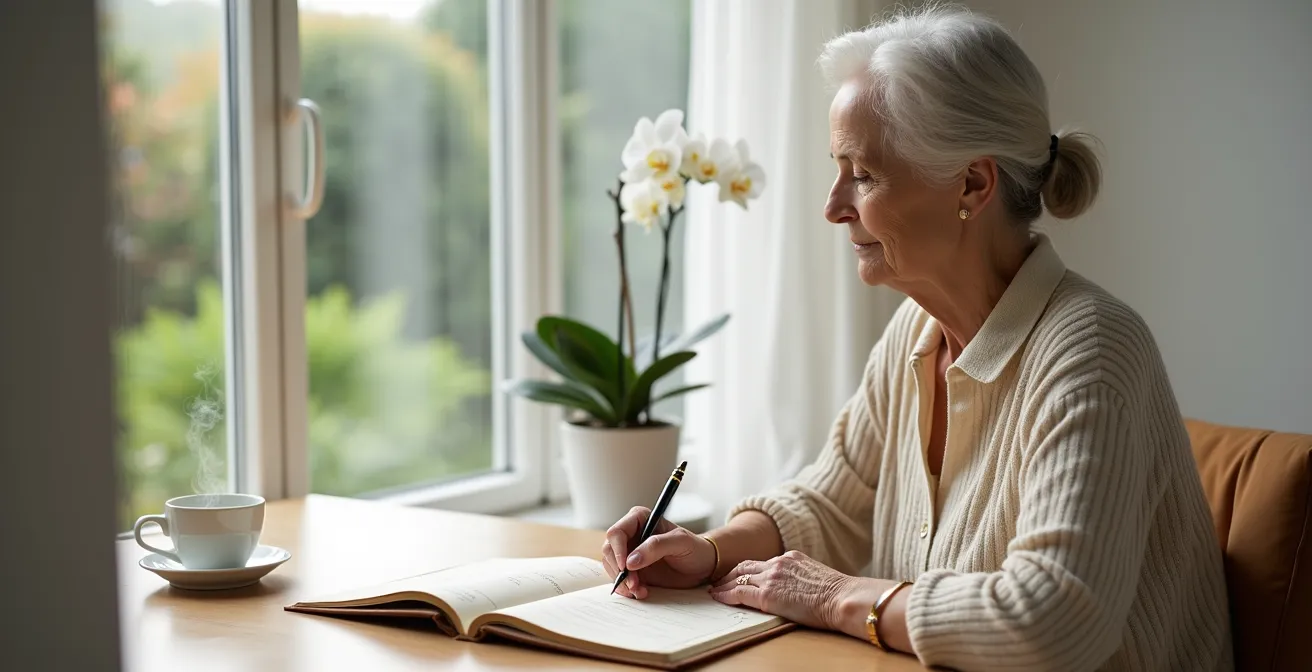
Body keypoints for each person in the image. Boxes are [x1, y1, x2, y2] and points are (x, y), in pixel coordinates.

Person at [600, 6, 1233, 671]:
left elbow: (1053, 619)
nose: (833, 205)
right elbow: (831, 502)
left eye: (863, 173)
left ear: (972, 183)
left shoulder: (1093, 354)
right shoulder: (919, 329)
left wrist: (841, 596)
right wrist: (713, 549)